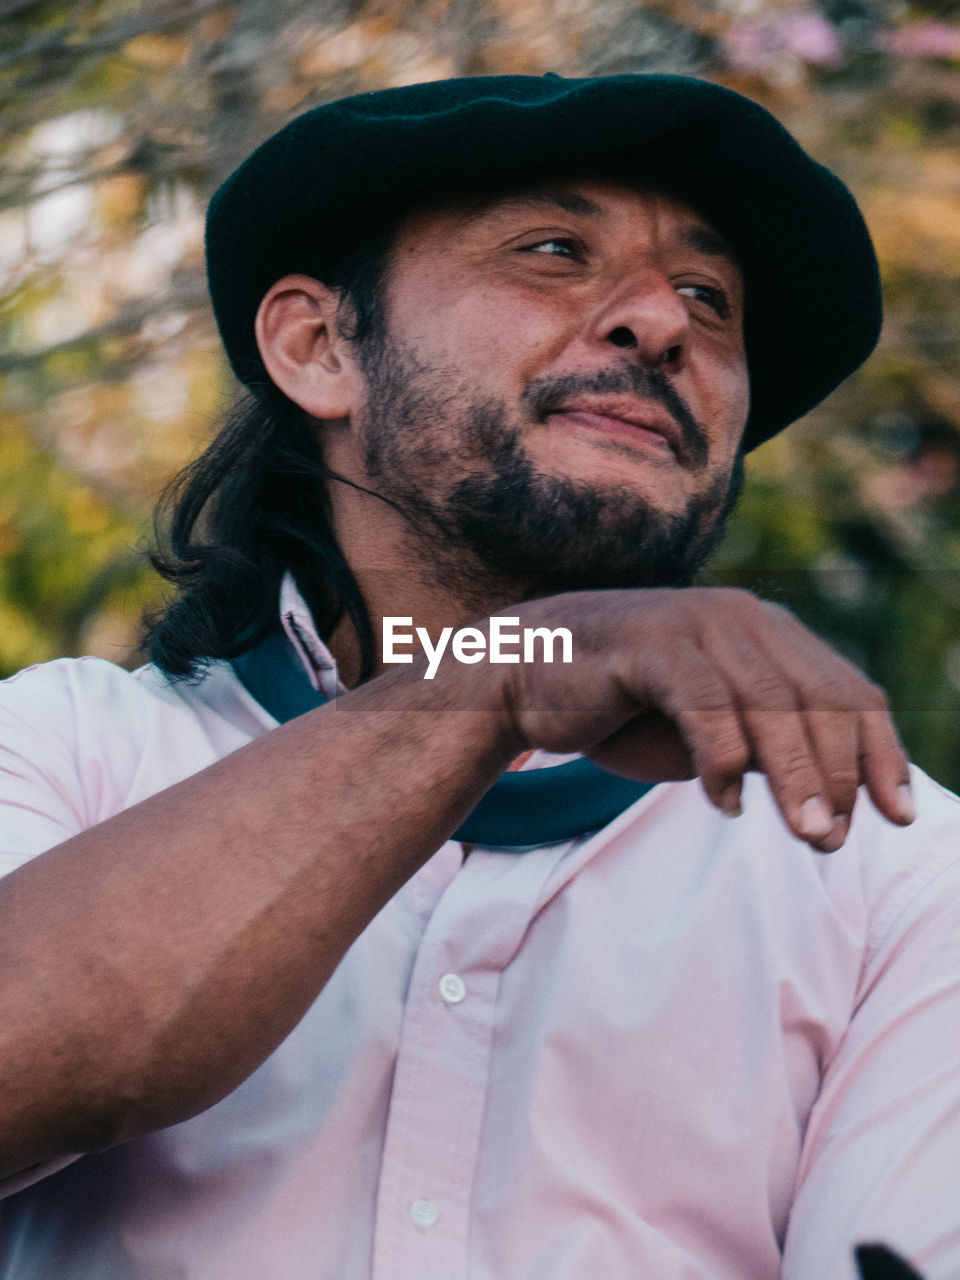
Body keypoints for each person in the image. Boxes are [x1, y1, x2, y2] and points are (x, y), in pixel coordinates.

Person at [0, 73, 957, 1280]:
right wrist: (502, 674)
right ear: (318, 347)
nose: (664, 323)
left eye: (712, 300)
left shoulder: (897, 874)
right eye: (555, 249)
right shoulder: (60, 748)